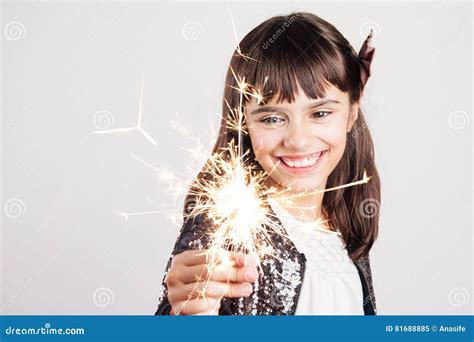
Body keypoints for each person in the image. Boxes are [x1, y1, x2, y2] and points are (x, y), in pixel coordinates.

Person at [155, 11, 380, 315]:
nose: (298, 140)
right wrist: (187, 316)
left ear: (352, 112)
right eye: (272, 118)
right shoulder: (230, 228)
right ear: (243, 122)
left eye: (320, 113)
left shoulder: (346, 232)